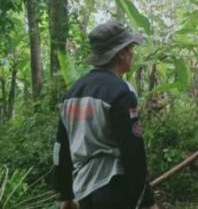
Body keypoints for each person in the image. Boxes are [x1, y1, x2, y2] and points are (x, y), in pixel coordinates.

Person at [53, 21, 158, 209]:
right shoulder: (121, 91)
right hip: (115, 187)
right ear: (121, 55)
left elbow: (61, 148)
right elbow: (132, 149)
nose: (132, 53)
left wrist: (65, 194)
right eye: (130, 49)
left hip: (83, 190)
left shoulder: (71, 93)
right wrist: (145, 198)